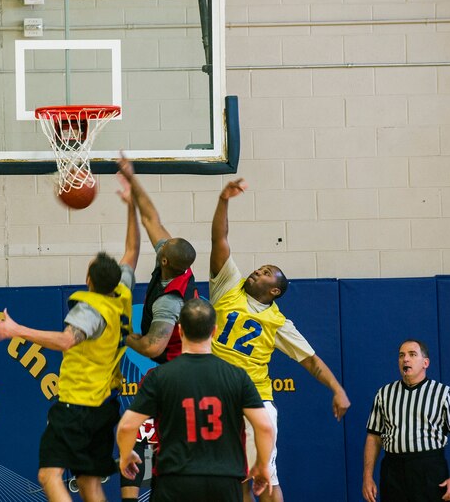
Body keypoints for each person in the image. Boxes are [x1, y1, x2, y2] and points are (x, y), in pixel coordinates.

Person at [0, 182, 140, 502]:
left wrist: (14, 329)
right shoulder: (121, 294)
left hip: (77, 405)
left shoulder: (91, 308)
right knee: (89, 481)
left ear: (89, 281)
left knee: (49, 475)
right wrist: (131, 205)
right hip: (105, 405)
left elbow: (67, 341)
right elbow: (133, 251)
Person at [209, 178, 351, 502]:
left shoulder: (279, 323)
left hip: (254, 399)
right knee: (237, 481)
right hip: (218, 396)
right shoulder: (228, 287)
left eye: (265, 272)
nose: (257, 271)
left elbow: (311, 361)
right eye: (259, 268)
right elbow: (220, 239)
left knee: (267, 480)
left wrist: (337, 388)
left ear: (274, 290)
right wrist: (223, 200)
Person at [117, 298, 275, 502]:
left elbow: (127, 427)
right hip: (225, 481)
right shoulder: (238, 376)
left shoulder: (159, 376)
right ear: (215, 331)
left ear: (180, 330)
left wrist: (126, 455)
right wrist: (262, 466)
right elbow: (265, 427)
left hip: (175, 481)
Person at [116, 155, 199, 502]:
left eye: (161, 248)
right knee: (140, 431)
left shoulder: (170, 301)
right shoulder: (173, 260)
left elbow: (151, 347)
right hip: (172, 368)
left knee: (152, 435)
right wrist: (133, 183)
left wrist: (123, 335)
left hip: (179, 370)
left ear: (165, 259)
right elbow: (153, 217)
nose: (159, 243)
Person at [362, 339, 450, 502]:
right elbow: (373, 438)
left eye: (412, 355)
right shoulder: (384, 394)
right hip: (393, 470)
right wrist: (367, 477)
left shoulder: (443, 394)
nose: (405, 359)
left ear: (425, 362)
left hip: (429, 470)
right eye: (401, 355)